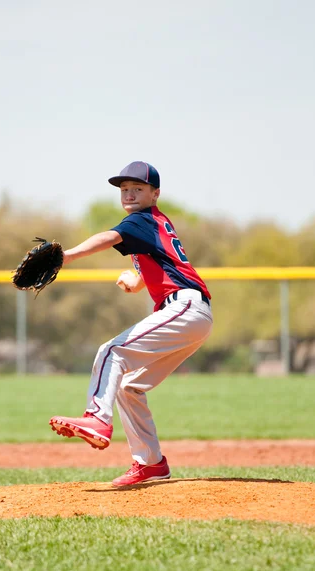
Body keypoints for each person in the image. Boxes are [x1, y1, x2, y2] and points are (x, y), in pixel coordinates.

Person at [49, 161, 213, 486]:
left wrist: (66, 256)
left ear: (156, 193)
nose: (129, 193)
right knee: (128, 385)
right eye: (124, 189)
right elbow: (162, 263)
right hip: (192, 313)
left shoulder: (140, 219)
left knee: (111, 352)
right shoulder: (154, 224)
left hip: (185, 306)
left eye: (137, 188)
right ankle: (151, 463)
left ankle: (96, 418)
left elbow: (108, 237)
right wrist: (137, 280)